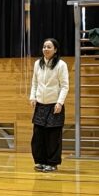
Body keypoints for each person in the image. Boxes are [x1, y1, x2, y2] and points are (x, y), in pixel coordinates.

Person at [29, 38, 69, 173]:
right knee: (38, 136)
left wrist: (60, 102)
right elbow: (34, 82)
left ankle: (52, 163)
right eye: (44, 47)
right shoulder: (37, 64)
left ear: (55, 50)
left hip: (54, 106)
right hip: (40, 105)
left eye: (49, 47)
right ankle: (40, 161)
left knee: (53, 137)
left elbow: (64, 86)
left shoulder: (61, 65)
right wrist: (33, 97)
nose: (46, 49)